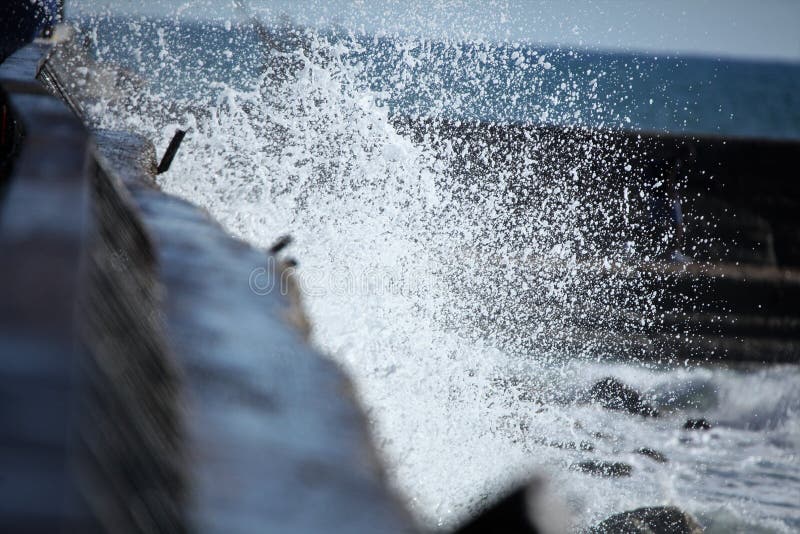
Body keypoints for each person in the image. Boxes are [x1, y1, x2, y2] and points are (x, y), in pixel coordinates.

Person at [646, 143, 694, 263]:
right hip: (667, 197)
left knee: (656, 225)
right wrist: (671, 199)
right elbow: (670, 182)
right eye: (690, 155)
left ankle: (654, 251)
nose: (691, 158)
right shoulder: (676, 163)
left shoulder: (670, 161)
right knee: (678, 225)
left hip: (657, 196)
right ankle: (673, 253)